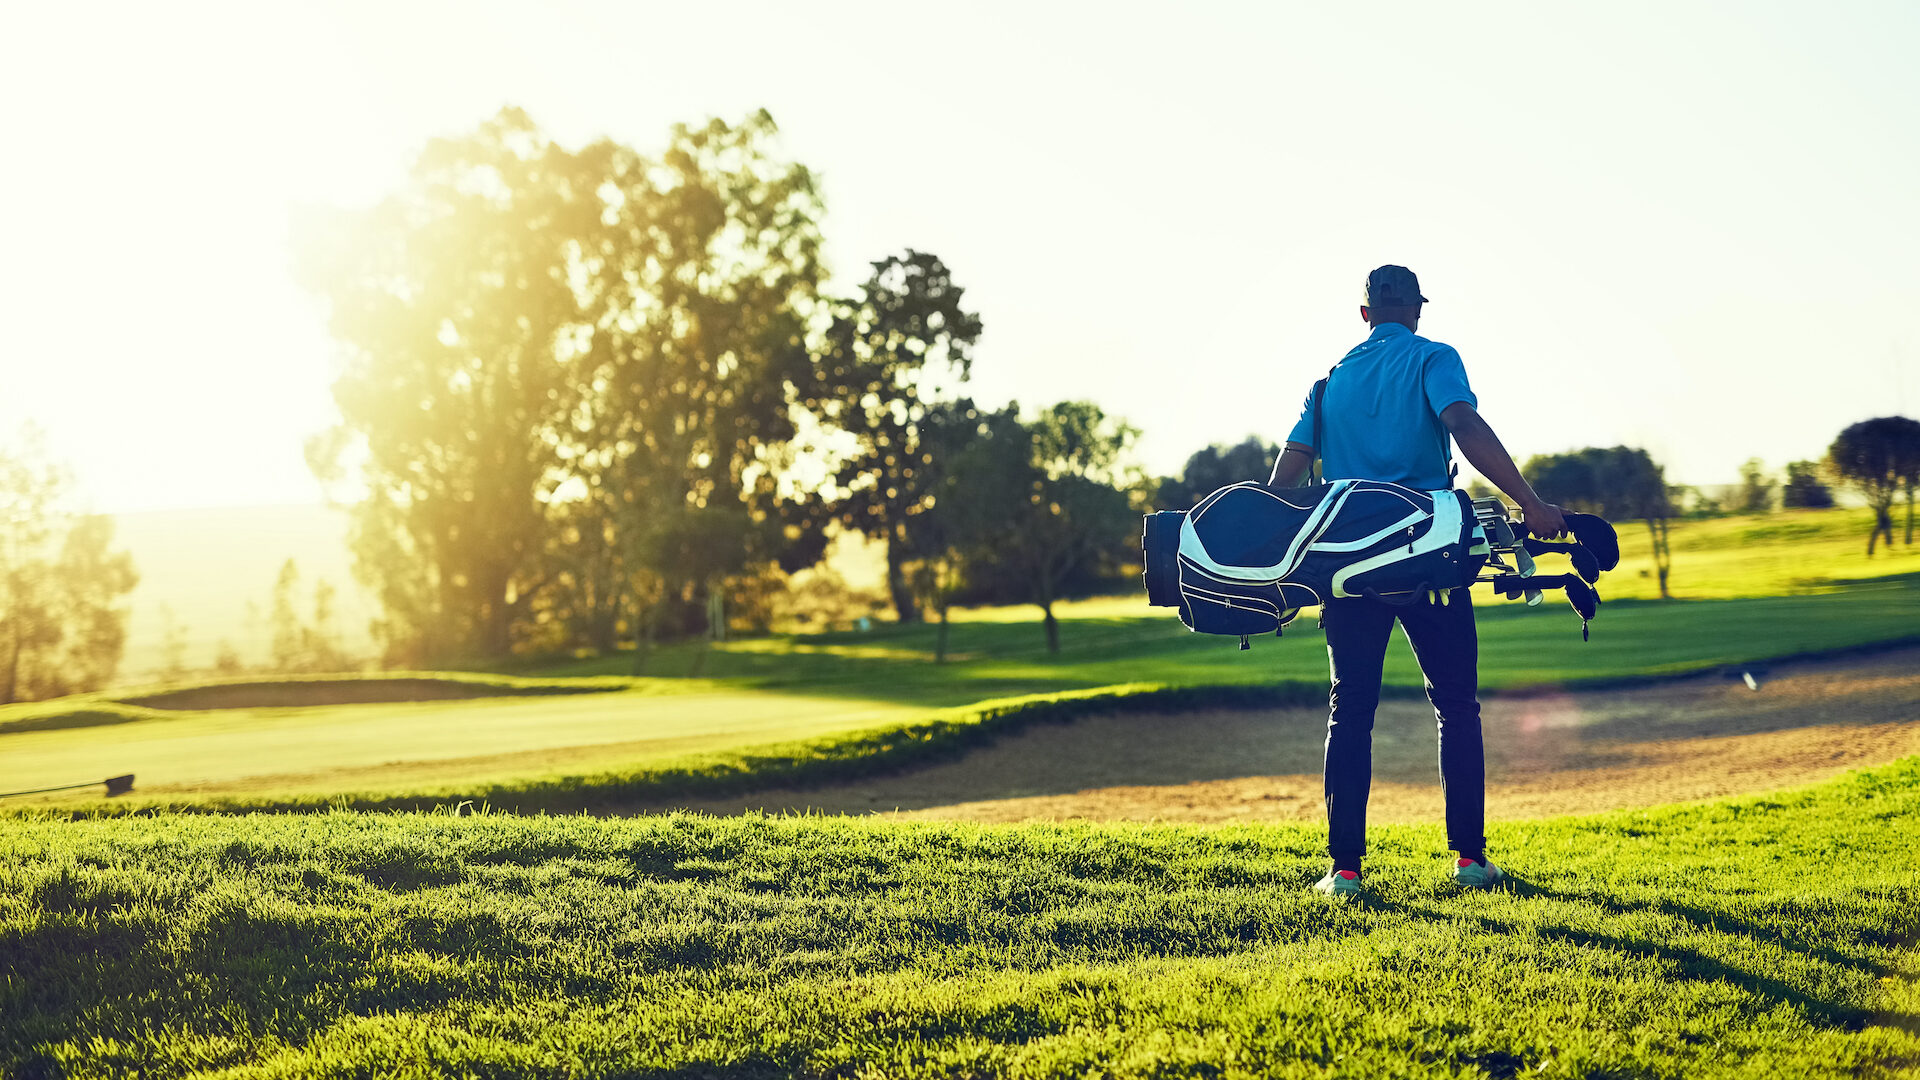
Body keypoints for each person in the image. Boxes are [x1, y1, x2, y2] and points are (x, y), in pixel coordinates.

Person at [1265, 265, 1567, 897]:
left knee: (1350, 714)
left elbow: (1289, 473)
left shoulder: (1328, 385)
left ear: (1366, 313)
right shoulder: (1434, 357)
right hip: (1431, 559)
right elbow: (1464, 425)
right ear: (1417, 310)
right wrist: (1531, 503)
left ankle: (1343, 871)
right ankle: (1468, 862)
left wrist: (1264, 544)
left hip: (1349, 572)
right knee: (1456, 707)